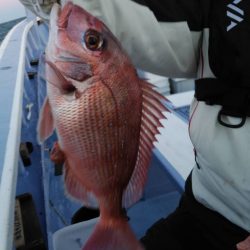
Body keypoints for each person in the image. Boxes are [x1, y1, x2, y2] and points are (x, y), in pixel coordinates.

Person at [19, 0, 250, 249]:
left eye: (92, 42)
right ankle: (112, 217)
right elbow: (140, 22)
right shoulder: (221, 9)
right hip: (206, 202)